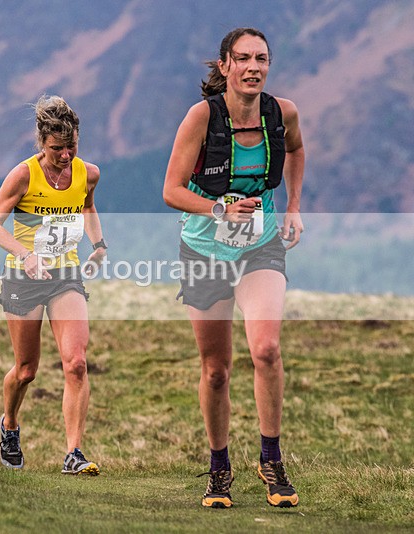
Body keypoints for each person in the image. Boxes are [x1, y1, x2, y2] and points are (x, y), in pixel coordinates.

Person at [162, 28, 305, 508]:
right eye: (242, 58)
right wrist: (220, 210)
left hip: (260, 247)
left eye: (261, 58)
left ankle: (271, 460)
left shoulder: (281, 113)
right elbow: (172, 191)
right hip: (204, 249)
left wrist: (293, 207)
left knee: (265, 348)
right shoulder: (201, 118)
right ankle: (219, 467)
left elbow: (297, 150)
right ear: (224, 66)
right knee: (216, 369)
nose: (253, 67)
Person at [0, 95, 107, 475]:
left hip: (65, 274)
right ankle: (9, 426)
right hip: (24, 277)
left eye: (71, 147)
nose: (65, 156)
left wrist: (98, 244)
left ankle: (73, 452)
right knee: (26, 370)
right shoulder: (23, 175)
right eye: (57, 149)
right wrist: (26, 255)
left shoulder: (88, 172)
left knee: (77, 363)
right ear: (42, 142)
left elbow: (87, 205)